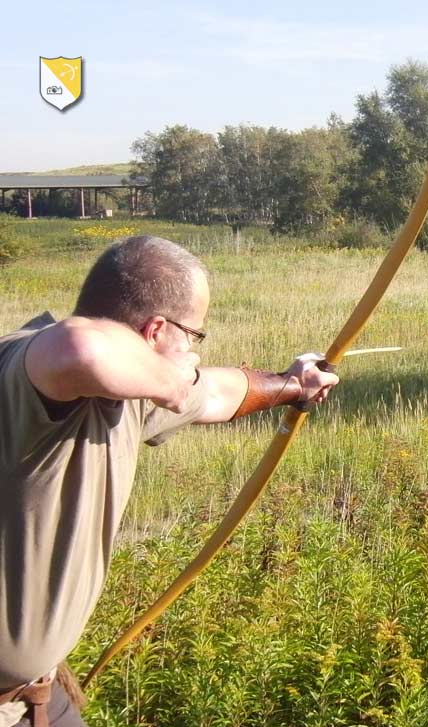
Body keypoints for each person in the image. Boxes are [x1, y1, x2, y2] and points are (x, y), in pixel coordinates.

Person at [0, 236, 339, 726]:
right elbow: (81, 347)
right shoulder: (25, 367)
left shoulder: (129, 392)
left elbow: (220, 392)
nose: (195, 350)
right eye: (194, 336)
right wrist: (174, 382)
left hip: (36, 696)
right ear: (157, 329)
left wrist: (293, 385)